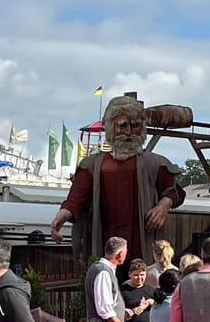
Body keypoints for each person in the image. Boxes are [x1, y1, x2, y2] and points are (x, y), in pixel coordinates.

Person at [50, 95, 187, 264]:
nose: (129, 132)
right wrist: (61, 217)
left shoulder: (155, 163)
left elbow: (174, 191)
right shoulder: (92, 165)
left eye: (135, 125)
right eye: (123, 125)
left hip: (142, 242)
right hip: (104, 242)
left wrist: (163, 205)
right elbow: (76, 199)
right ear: (110, 127)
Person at [85, 238, 131, 322]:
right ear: (120, 253)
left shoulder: (103, 270)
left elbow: (108, 303)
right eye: (126, 251)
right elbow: (104, 309)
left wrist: (121, 311)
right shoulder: (103, 272)